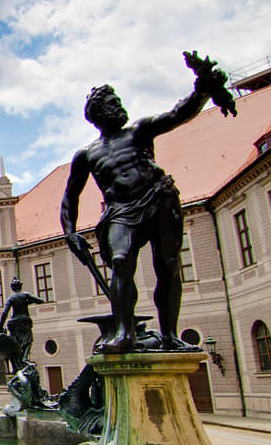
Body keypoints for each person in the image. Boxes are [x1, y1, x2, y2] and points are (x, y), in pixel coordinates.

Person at [61, 52, 230, 353]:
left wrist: (202, 89)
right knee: (121, 261)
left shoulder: (139, 130)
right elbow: (70, 197)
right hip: (121, 210)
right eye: (113, 104)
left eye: (119, 102)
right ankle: (125, 332)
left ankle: (169, 335)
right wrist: (70, 232)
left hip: (159, 198)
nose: (120, 107)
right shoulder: (87, 154)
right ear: (98, 114)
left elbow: (179, 114)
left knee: (168, 266)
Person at [0, 277, 45, 371]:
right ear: (21, 286)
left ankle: (18, 363)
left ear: (12, 288)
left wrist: (0, 326)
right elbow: (40, 300)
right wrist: (27, 302)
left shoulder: (11, 298)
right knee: (28, 340)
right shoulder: (25, 295)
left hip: (14, 322)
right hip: (24, 320)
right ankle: (24, 358)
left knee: (16, 343)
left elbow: (5, 313)